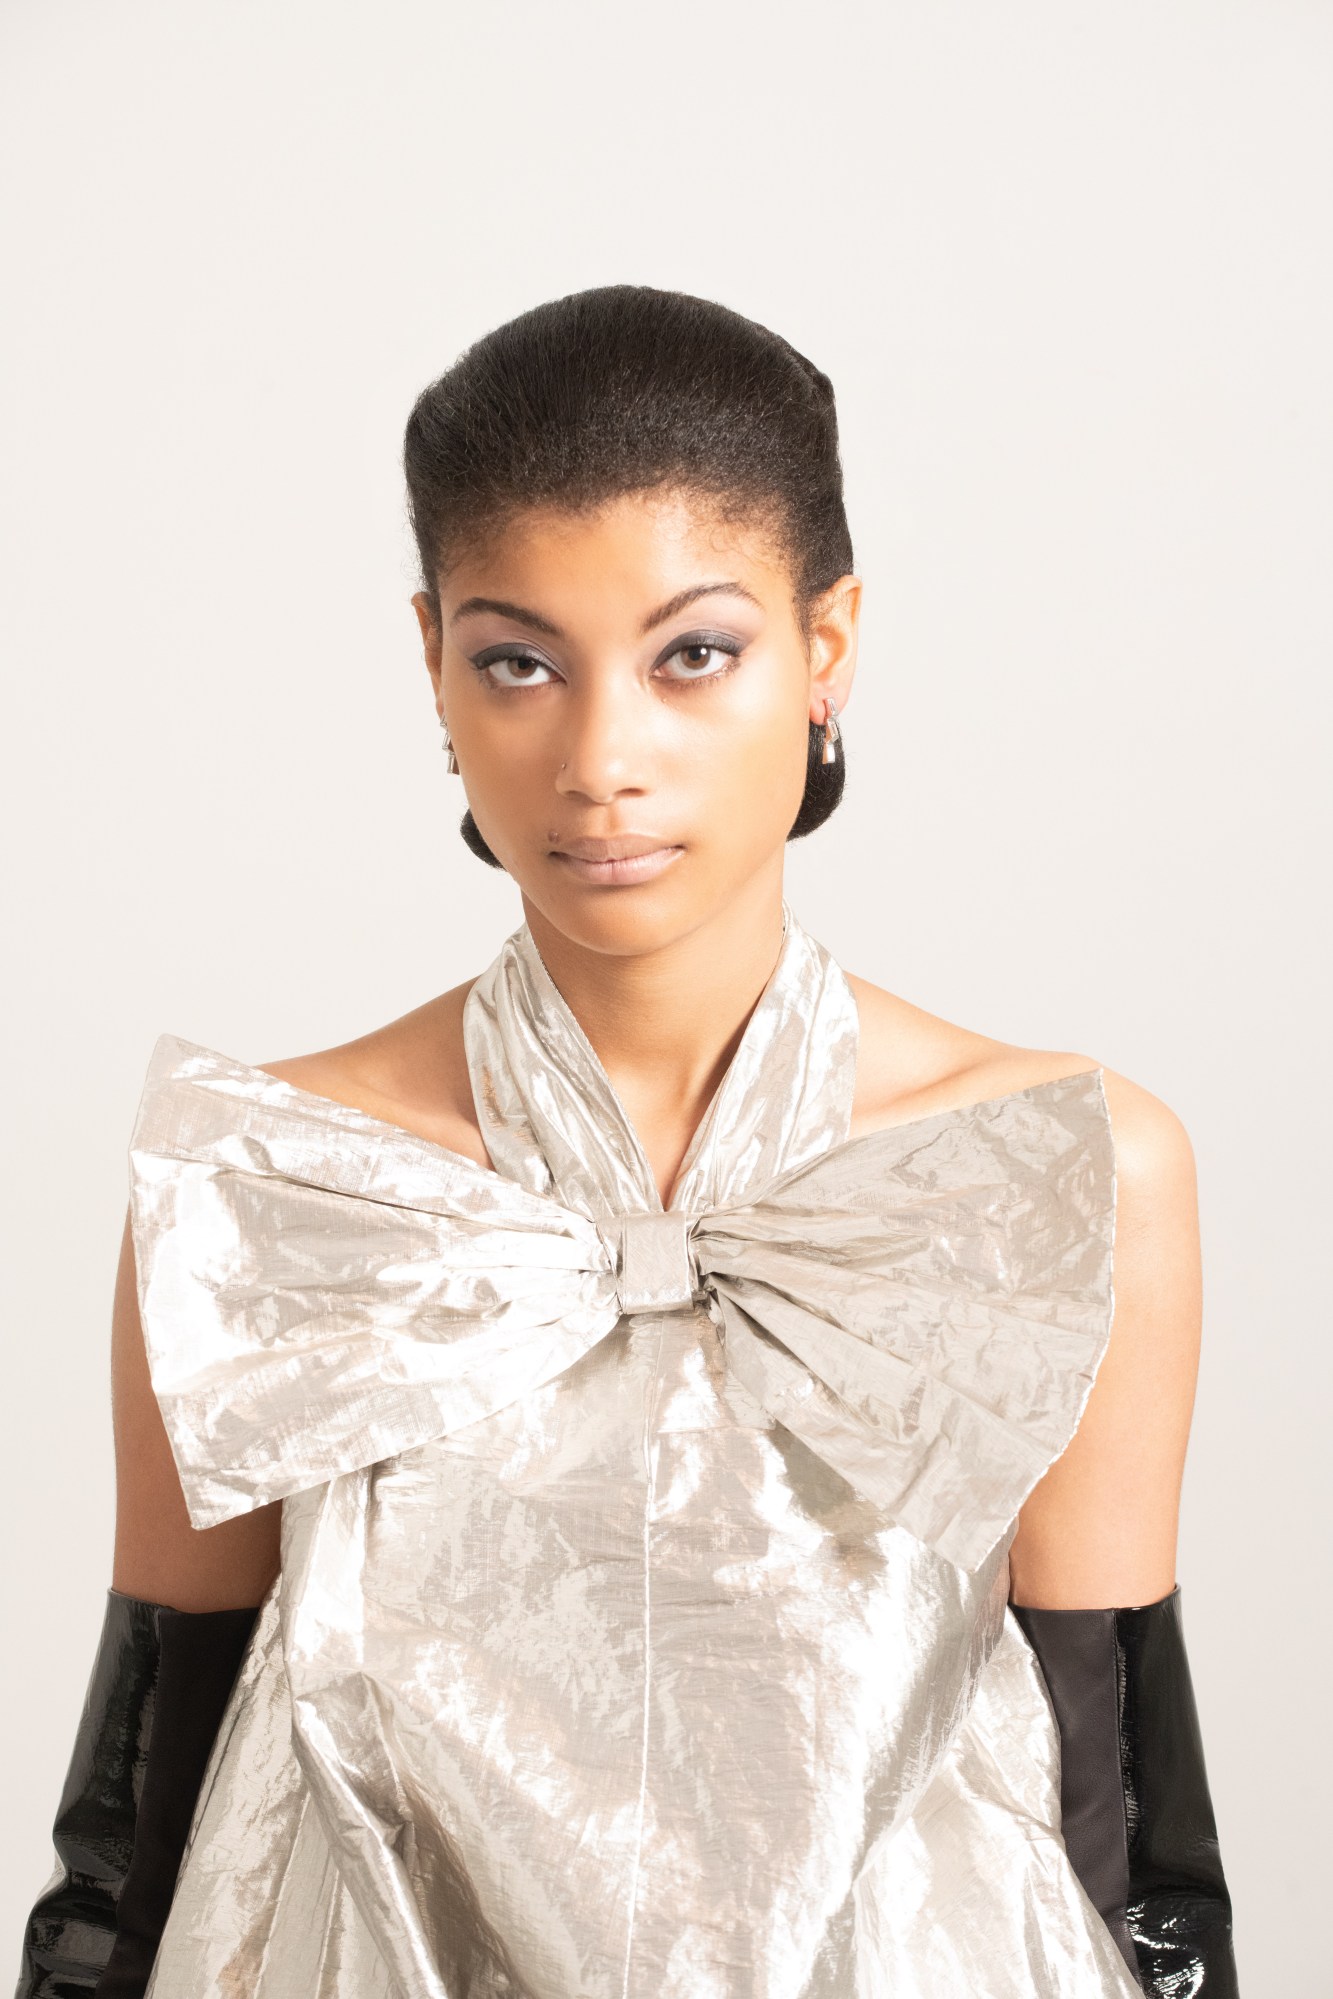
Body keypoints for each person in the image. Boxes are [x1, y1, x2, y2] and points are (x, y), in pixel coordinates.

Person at [14, 285, 1239, 1998]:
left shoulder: (1058, 1168)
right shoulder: (279, 1183)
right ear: (432, 662)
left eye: (693, 655)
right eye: (518, 662)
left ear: (825, 647)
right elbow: (132, 1835)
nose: (600, 760)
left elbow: (1130, 1853)